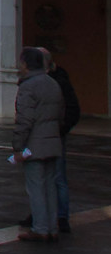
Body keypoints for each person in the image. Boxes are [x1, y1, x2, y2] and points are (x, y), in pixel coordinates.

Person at [12, 47, 65, 243]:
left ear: (25, 64)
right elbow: (61, 115)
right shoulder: (53, 83)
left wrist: (17, 146)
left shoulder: (28, 87)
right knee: (50, 186)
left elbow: (24, 121)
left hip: (33, 144)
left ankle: (40, 228)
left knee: (35, 187)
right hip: (52, 141)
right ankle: (52, 227)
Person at [43, 48, 80, 234]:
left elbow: (73, 110)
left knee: (57, 176)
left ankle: (61, 216)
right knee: (43, 176)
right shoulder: (55, 80)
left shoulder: (59, 81)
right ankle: (42, 213)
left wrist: (61, 130)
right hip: (45, 136)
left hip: (53, 136)